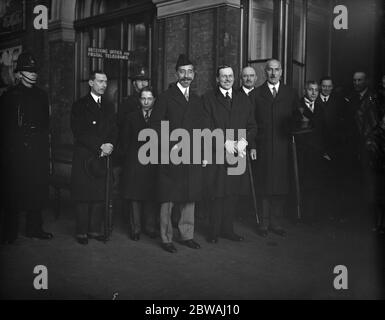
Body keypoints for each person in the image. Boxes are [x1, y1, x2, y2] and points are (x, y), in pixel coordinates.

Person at [150, 54, 204, 253]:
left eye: (190, 72)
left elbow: (201, 127)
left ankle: (187, 235)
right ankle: (166, 238)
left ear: (194, 74)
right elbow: (155, 125)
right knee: (168, 198)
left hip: (191, 154)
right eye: (182, 72)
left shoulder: (197, 99)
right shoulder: (165, 97)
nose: (186, 76)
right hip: (170, 154)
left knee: (189, 195)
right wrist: (170, 145)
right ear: (176, 74)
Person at [0, 52, 53, 244]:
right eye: (28, 70)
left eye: (34, 71)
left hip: (37, 149)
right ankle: (9, 232)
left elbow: (46, 124)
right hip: (16, 151)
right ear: (19, 73)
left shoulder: (41, 95)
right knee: (13, 190)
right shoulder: (9, 96)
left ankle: (34, 228)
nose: (33, 74)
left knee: (36, 188)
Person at [202, 65, 257, 243]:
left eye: (230, 76)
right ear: (217, 79)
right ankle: (214, 232)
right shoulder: (208, 98)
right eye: (223, 76)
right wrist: (224, 142)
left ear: (235, 78)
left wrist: (244, 141)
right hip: (216, 152)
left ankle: (228, 230)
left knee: (232, 193)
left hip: (237, 153)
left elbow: (252, 126)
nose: (227, 79)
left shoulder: (243, 99)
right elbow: (205, 127)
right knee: (217, 193)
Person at [70, 70, 118, 245]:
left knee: (99, 194)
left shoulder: (109, 105)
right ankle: (82, 231)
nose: (103, 85)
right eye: (99, 81)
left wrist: (110, 145)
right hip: (85, 156)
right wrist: (100, 146)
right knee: (84, 195)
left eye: (105, 81)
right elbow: (79, 131)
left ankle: (94, 230)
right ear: (91, 83)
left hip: (103, 156)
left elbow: (114, 128)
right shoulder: (79, 105)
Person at [253, 59, 299, 237]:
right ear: (265, 72)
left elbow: (297, 118)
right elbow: (252, 123)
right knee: (264, 184)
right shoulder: (257, 94)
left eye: (276, 70)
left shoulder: (290, 93)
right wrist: (253, 146)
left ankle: (276, 222)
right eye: (270, 70)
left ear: (282, 72)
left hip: (283, 146)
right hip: (263, 146)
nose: (273, 73)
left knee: (280, 185)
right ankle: (263, 223)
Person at [121, 87, 159, 241]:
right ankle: (135, 229)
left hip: (152, 162)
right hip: (135, 162)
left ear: (154, 100)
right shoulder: (131, 117)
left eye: (149, 99)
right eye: (143, 98)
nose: (146, 102)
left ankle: (149, 227)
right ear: (139, 100)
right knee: (135, 197)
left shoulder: (159, 117)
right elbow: (124, 141)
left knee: (150, 196)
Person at [294, 80, 329, 224]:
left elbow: (323, 131)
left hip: (317, 153)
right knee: (303, 184)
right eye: (310, 90)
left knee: (315, 184)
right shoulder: (297, 107)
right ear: (304, 91)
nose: (313, 93)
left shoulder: (320, 108)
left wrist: (324, 151)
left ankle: (312, 216)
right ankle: (301, 216)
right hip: (302, 153)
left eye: (316, 90)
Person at [316, 76, 346, 221]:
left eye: (329, 86)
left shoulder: (338, 102)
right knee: (319, 182)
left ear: (332, 87)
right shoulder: (314, 100)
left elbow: (341, 128)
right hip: (318, 148)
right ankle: (319, 214)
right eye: (324, 86)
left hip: (333, 149)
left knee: (332, 182)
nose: (326, 89)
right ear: (320, 86)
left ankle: (332, 213)